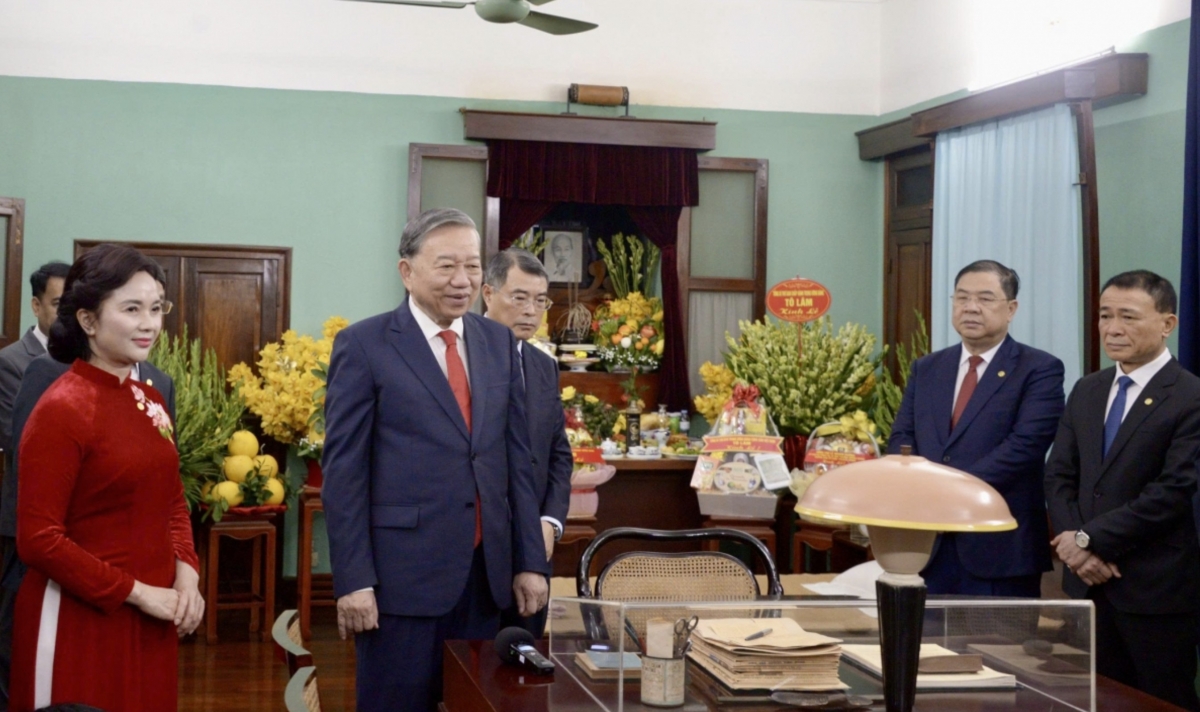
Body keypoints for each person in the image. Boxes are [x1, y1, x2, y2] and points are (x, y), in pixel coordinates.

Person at [322, 208, 549, 712]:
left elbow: (517, 460)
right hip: (400, 583)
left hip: (487, 579)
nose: (462, 280)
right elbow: (344, 474)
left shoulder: (495, 341)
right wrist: (354, 580)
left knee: (482, 702)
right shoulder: (364, 345)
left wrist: (530, 559)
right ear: (407, 271)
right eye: (446, 266)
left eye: (471, 267)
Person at [8, 244, 202, 712]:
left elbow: (171, 501)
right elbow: (37, 540)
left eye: (156, 308)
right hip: (84, 615)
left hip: (154, 613)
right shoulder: (63, 408)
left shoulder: (150, 400)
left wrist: (188, 576)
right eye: (132, 309)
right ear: (88, 321)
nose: (149, 323)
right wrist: (137, 594)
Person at [1045, 270, 1200, 711]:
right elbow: (1059, 475)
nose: (1113, 328)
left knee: (1160, 700)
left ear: (1167, 324)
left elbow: (1173, 491)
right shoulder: (1088, 389)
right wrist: (1079, 548)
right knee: (1096, 698)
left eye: (1128, 317)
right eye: (1105, 315)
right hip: (1089, 588)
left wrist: (1089, 540)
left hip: (1154, 589)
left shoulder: (1190, 396)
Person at [889, 260, 1064, 596]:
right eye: (962, 298)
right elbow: (902, 437)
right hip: (927, 544)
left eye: (985, 299)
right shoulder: (927, 368)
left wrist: (947, 490)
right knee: (926, 647)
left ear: (1011, 308)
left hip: (999, 549)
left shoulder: (1039, 369)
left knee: (1000, 649)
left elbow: (1024, 447)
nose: (971, 308)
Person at [482, 248, 572, 638]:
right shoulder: (462, 355)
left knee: (522, 669)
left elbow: (558, 455)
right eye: (519, 298)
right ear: (488, 293)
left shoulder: (543, 365)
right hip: (479, 546)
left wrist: (550, 522)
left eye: (540, 301)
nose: (531, 311)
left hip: (535, 543)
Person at [0, 261, 69, 452]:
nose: (67, 313)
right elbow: (14, 436)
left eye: (72, 303)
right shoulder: (9, 362)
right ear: (36, 306)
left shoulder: (90, 356)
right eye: (58, 304)